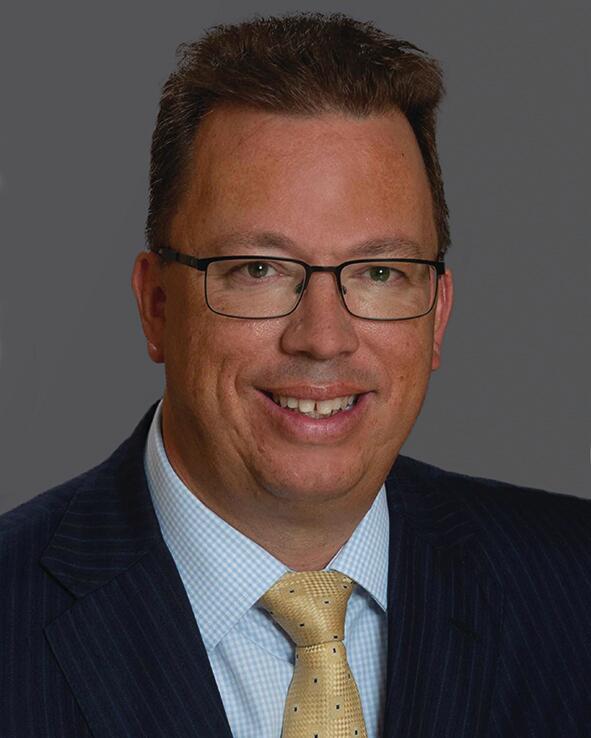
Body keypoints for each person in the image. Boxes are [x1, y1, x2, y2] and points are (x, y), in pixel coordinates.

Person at [1, 12, 589, 738]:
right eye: (258, 269)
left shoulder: (573, 588)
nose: (322, 339)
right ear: (157, 306)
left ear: (436, 315)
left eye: (379, 272)